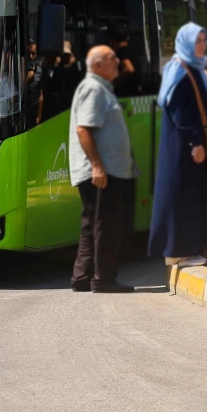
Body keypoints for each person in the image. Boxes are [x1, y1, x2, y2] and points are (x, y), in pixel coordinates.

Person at [147, 22, 207, 267]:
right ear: (185, 42)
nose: (202, 46)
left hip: (192, 146)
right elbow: (178, 110)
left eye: (203, 40)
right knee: (181, 194)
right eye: (197, 41)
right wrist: (195, 142)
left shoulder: (194, 68)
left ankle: (196, 247)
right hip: (182, 146)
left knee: (195, 193)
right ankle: (177, 251)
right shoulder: (178, 70)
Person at [69, 45, 137, 293]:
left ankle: (82, 276)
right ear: (98, 65)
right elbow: (83, 129)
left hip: (102, 171)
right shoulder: (93, 89)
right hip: (100, 172)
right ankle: (103, 279)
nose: (117, 61)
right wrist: (97, 166)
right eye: (111, 58)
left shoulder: (100, 88)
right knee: (105, 225)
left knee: (93, 223)